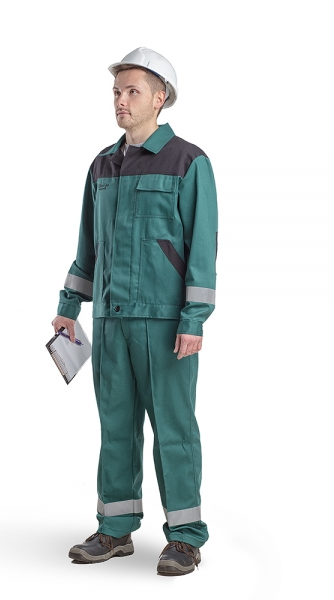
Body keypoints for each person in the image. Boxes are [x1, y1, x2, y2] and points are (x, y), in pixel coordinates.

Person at [52, 47, 218, 576]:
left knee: (174, 429)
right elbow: (88, 243)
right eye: (116, 92)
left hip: (165, 323)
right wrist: (68, 306)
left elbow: (202, 249)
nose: (120, 101)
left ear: (160, 98)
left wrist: (193, 320)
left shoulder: (189, 162)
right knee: (116, 426)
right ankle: (115, 529)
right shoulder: (102, 165)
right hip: (111, 319)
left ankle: (185, 537)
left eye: (132, 91)